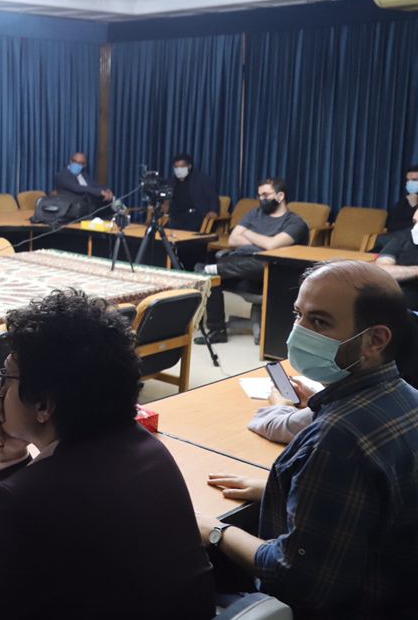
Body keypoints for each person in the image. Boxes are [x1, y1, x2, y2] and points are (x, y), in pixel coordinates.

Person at [0, 290, 214, 620]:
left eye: (6, 377)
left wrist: (12, 477)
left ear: (44, 405)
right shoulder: (150, 450)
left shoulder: (23, 502)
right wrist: (11, 459)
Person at [196, 260, 418, 620]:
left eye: (319, 322)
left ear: (375, 340)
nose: (298, 332)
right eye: (298, 314)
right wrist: (281, 487)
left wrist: (215, 531)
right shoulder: (406, 395)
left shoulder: (336, 440)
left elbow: (298, 578)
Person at [196, 178, 309, 344]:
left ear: (280, 196)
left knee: (260, 262)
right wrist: (261, 242)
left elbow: (272, 245)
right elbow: (233, 240)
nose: (261, 199)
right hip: (240, 266)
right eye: (259, 195)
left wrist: (247, 233)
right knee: (212, 278)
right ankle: (217, 330)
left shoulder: (295, 222)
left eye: (265, 195)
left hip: (268, 272)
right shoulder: (254, 214)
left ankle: (212, 268)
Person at [376, 205, 418, 308]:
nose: (416, 228)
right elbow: (381, 270)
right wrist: (416, 271)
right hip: (398, 305)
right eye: (415, 222)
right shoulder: (403, 237)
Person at [166, 152, 220, 232]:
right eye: (176, 167)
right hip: (176, 217)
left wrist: (213, 210)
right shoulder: (171, 181)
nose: (179, 169)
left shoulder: (201, 179)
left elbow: (213, 197)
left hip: (195, 216)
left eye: (182, 166)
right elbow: (166, 199)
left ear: (189, 166)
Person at [51, 151, 113, 216]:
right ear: (70, 161)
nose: (76, 164)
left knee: (109, 206)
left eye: (80, 163)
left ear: (84, 165)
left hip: (88, 206)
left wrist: (107, 189)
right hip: (72, 209)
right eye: (74, 161)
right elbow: (77, 188)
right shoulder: (62, 175)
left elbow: (94, 185)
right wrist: (100, 192)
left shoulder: (83, 174)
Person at [382, 164, 418, 239]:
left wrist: (414, 206)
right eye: (408, 180)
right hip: (399, 239)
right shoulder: (403, 201)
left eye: (414, 180)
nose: (410, 183)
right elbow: (391, 226)